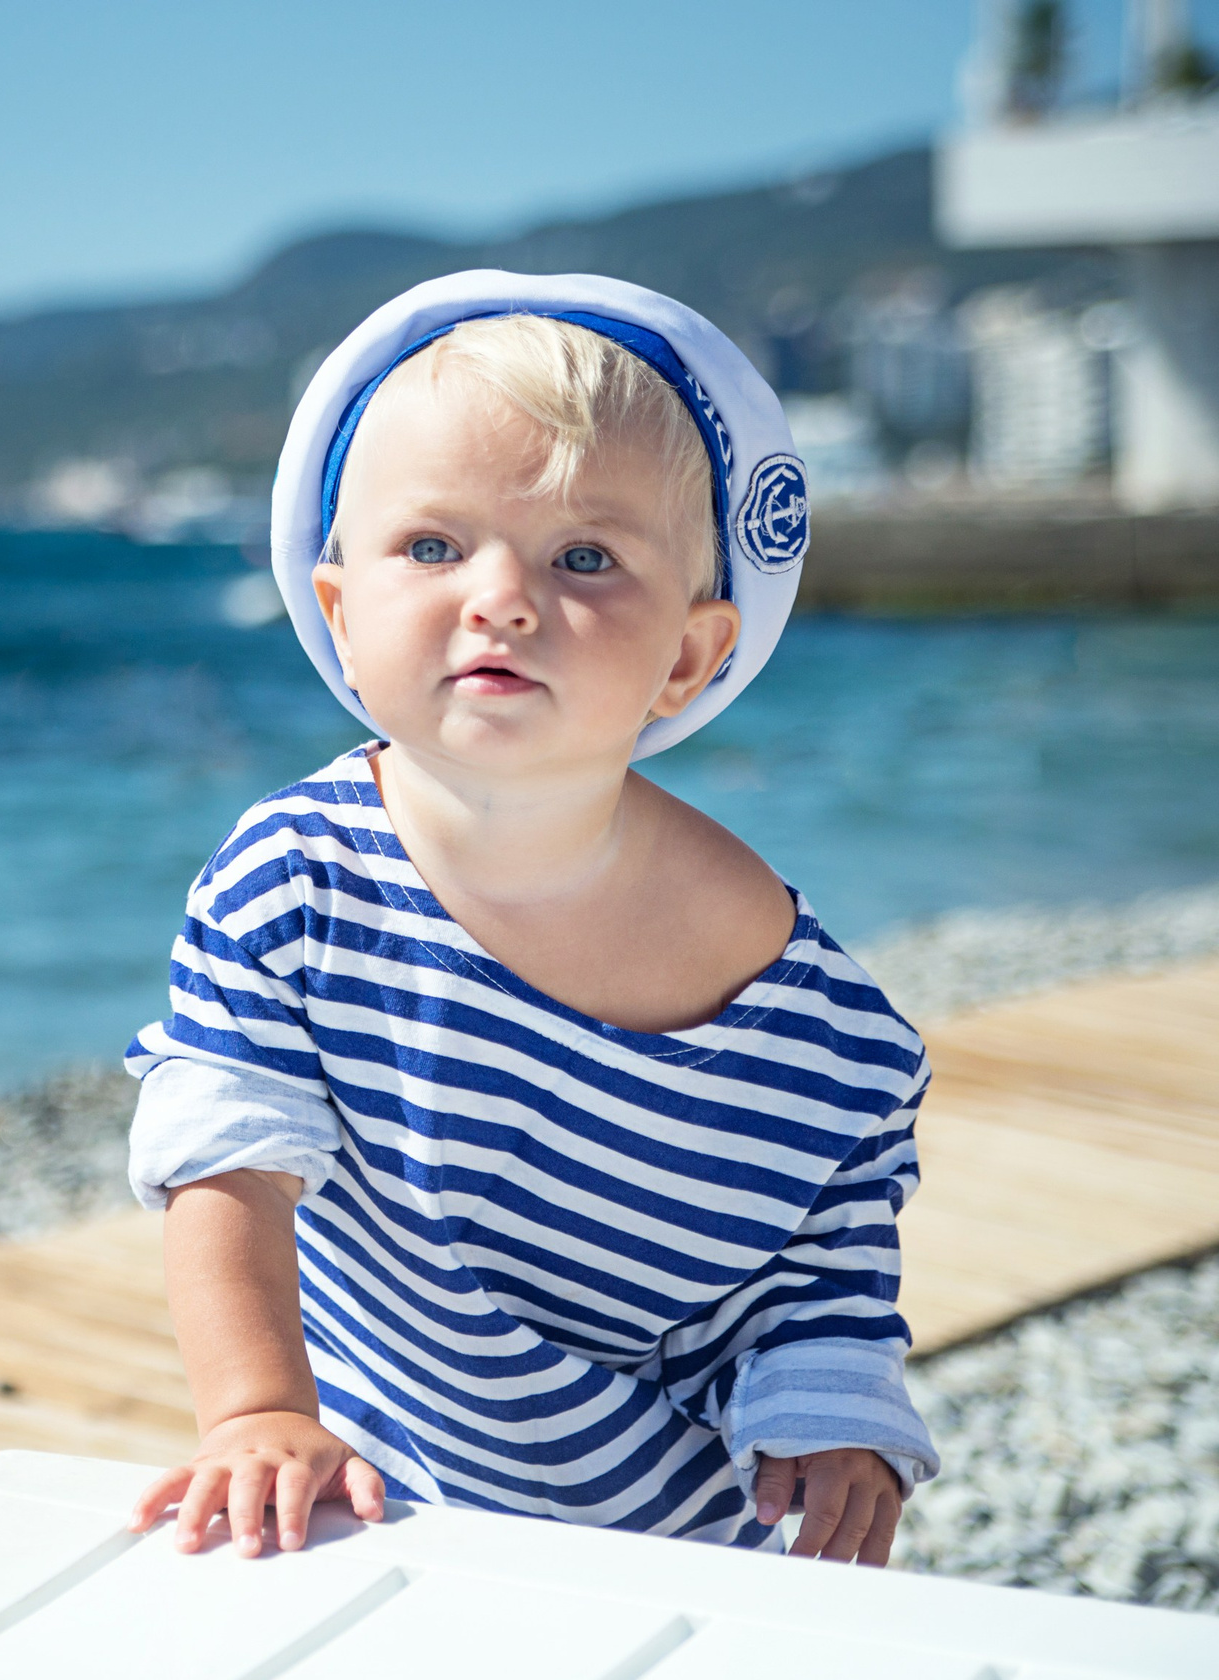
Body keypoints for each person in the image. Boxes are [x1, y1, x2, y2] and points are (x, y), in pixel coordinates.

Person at [123, 272, 939, 1567]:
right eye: (434, 548)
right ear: (340, 612)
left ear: (688, 652)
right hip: (379, 1502)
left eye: (584, 558)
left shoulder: (806, 1015)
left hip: (674, 1539)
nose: (499, 596)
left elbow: (826, 1232)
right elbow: (226, 1160)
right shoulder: (294, 879)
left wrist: (833, 1418)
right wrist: (263, 1410)